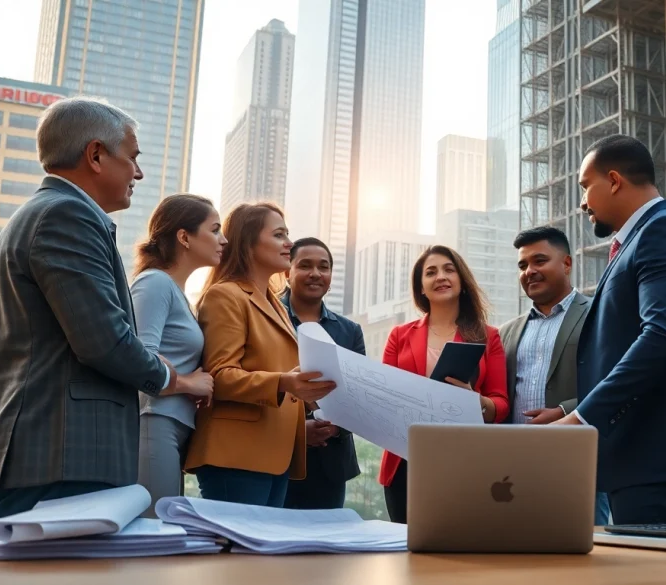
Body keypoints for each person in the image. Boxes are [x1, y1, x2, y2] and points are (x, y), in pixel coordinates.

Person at [0, 97, 178, 520]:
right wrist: (169, 376)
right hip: (60, 458)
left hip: (52, 456)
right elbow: (103, 341)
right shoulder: (67, 215)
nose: (139, 173)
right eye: (132, 158)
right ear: (95, 154)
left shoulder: (45, 213)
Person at [553, 134, 666, 526]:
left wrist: (583, 417)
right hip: (645, 450)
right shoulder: (643, 237)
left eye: (586, 187)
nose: (582, 201)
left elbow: (662, 337)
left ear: (615, 180)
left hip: (660, 451)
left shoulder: (662, 232)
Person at [184, 203, 335, 507]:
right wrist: (285, 382)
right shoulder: (225, 295)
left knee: (258, 555)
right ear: (248, 243)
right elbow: (220, 377)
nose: (289, 244)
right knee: (236, 555)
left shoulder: (276, 304)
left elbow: (281, 376)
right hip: (236, 454)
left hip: (274, 453)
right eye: (279, 235)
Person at [379, 245, 509, 523]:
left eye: (449, 269)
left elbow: (501, 404)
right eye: (431, 272)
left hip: (464, 459)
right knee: (405, 550)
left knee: (458, 550)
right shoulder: (399, 336)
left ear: (462, 281)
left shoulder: (489, 337)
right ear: (421, 288)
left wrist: (475, 401)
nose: (441, 276)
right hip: (405, 459)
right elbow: (383, 395)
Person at [499, 226, 610, 524]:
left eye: (539, 261)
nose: (529, 271)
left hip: (577, 458)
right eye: (522, 265)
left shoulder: (599, 313)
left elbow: (613, 378)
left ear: (567, 263)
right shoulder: (506, 332)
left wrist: (564, 411)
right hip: (515, 466)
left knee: (584, 552)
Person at [132, 194, 225, 517]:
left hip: (171, 426)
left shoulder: (179, 295)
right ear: (184, 237)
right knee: (153, 531)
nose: (222, 240)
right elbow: (137, 360)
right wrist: (188, 383)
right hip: (153, 420)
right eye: (214, 230)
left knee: (165, 529)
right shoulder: (154, 283)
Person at [281, 237, 363, 510]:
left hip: (331, 459)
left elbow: (359, 395)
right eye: (305, 265)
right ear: (287, 272)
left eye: (324, 267)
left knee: (323, 548)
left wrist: (333, 427)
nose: (316, 273)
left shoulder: (350, 331)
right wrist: (298, 431)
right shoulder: (266, 316)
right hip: (277, 455)